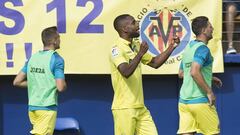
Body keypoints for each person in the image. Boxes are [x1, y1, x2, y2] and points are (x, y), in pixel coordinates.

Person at [110, 14, 179, 135]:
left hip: (140, 107)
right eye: (133, 22)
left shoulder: (136, 46)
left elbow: (155, 63)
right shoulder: (116, 49)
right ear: (124, 29)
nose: (137, 24)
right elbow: (126, 72)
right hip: (124, 108)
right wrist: (140, 54)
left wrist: (172, 46)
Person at [13, 26, 67, 135]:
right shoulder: (57, 59)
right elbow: (60, 87)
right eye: (59, 37)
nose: (60, 40)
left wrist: (36, 83)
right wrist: (63, 84)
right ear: (54, 41)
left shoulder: (32, 58)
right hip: (46, 108)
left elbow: (17, 81)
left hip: (32, 109)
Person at [177, 16, 223, 135]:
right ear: (203, 30)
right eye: (210, 26)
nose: (212, 28)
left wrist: (210, 78)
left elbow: (182, 74)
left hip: (184, 103)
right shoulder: (203, 49)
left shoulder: (188, 48)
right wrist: (209, 91)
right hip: (200, 101)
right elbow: (194, 72)